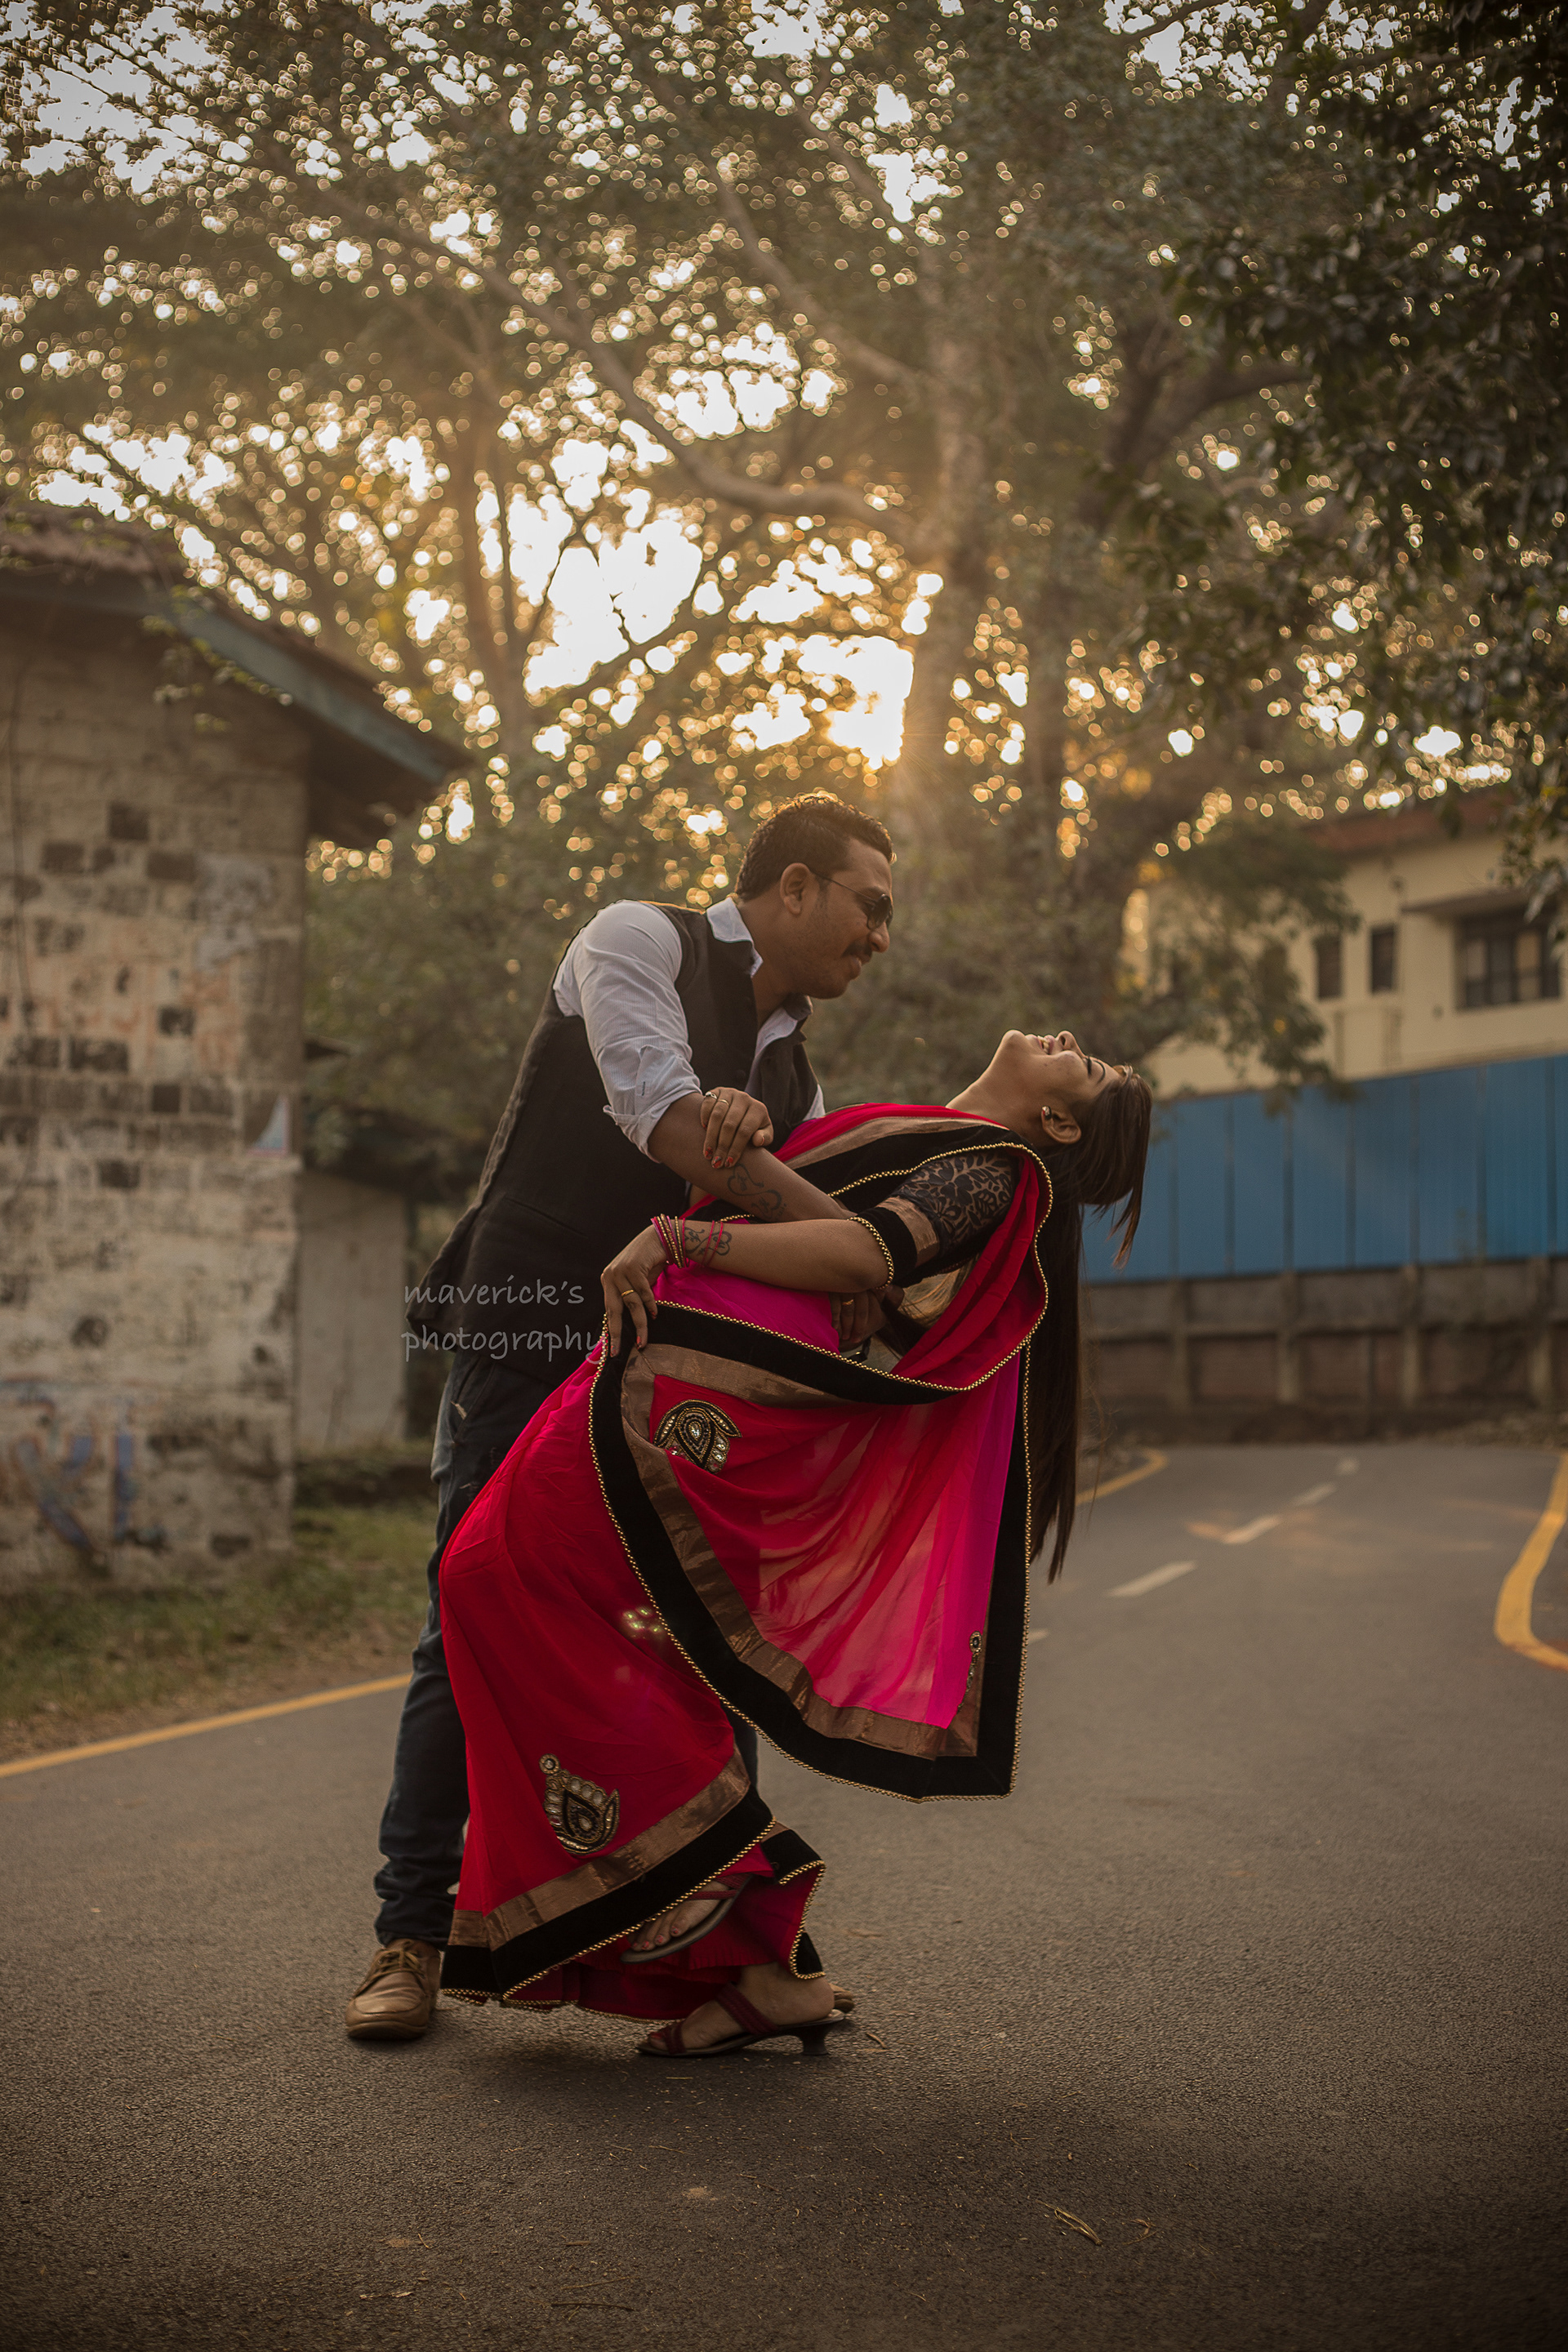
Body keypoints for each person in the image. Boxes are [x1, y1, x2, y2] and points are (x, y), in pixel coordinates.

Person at [436, 1030, 1153, 2056]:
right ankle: (758, 1965)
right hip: (675, 1359)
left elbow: (869, 1255)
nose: (1070, 1042)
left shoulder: (995, 1168)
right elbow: (809, 1212)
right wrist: (738, 1117)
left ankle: (712, 1881)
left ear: (1058, 1124)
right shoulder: (927, 1132)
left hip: (702, 1392)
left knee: (494, 1575)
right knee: (561, 1607)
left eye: (1084, 1070)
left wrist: (678, 1242)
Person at [344, 794, 896, 2041]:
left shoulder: (796, 1072)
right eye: (868, 907)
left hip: (661, 1361)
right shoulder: (636, 938)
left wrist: (816, 1224)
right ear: (794, 887)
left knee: (703, 1628)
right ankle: (408, 1937)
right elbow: (666, 1118)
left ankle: (737, 1955)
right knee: (467, 1609)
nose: (878, 937)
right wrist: (839, 1231)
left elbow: (773, 1222)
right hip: (530, 1321)